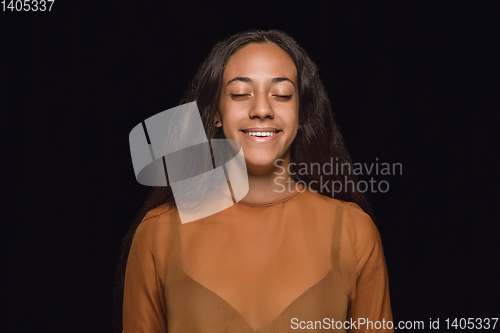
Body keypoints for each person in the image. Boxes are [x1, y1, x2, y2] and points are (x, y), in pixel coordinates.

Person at [115, 29, 393, 333]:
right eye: (239, 94)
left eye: (282, 95)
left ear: (301, 114)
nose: (262, 109)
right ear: (216, 113)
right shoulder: (158, 233)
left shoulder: (353, 231)